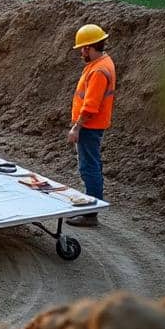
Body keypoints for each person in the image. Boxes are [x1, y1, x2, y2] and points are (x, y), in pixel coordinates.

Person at [66, 23, 116, 227]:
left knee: (89, 168)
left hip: (90, 126)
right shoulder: (103, 63)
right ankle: (90, 208)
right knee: (91, 165)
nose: (80, 53)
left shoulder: (98, 71)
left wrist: (76, 127)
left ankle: (90, 214)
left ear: (88, 48)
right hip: (93, 125)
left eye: (81, 49)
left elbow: (90, 105)